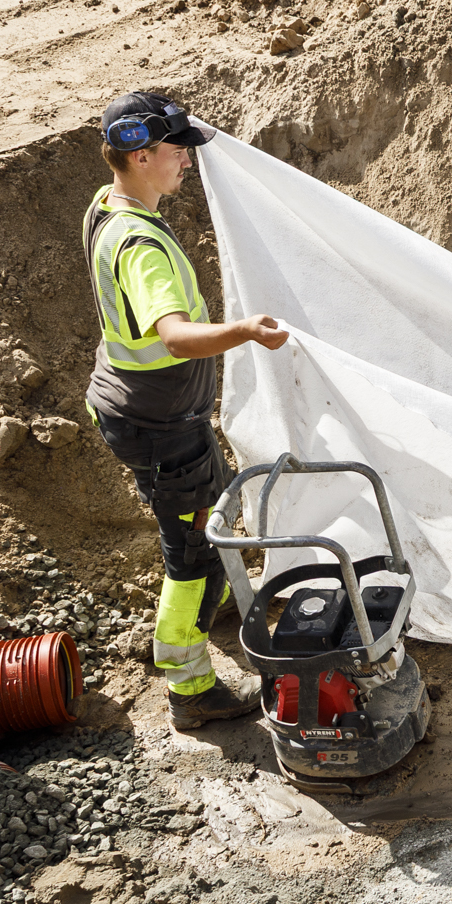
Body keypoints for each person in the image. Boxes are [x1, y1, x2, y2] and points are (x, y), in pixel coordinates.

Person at [84, 92, 290, 729]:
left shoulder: (109, 202)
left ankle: (213, 602)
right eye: (177, 154)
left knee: (211, 516)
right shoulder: (141, 248)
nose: (187, 165)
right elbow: (173, 336)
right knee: (194, 553)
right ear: (141, 156)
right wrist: (246, 331)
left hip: (142, 411)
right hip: (158, 427)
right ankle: (190, 687)